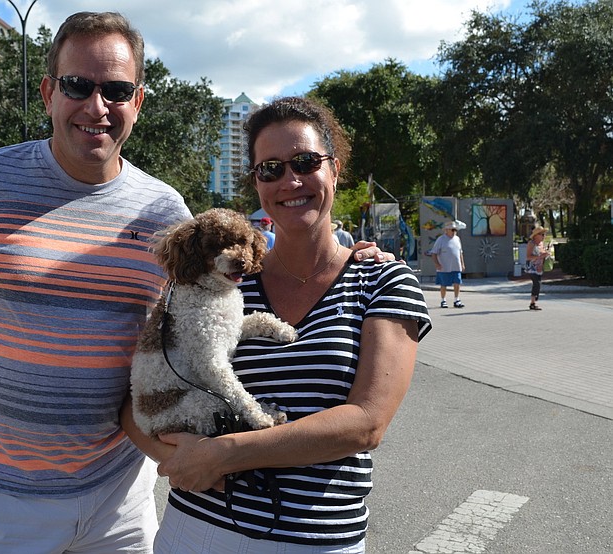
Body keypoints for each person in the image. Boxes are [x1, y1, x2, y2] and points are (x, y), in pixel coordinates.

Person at [0, 12, 393, 553]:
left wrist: (351, 257)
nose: (96, 106)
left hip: (119, 496)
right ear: (48, 92)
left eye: (115, 89)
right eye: (77, 85)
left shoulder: (165, 211)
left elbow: (241, 274)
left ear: (137, 101)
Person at [123, 96, 431, 553]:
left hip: (314, 541)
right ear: (256, 183)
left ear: (335, 169)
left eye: (306, 162)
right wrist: (180, 461)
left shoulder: (383, 278)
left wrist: (224, 455)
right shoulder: (216, 282)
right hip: (198, 529)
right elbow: (134, 400)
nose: (291, 180)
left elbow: (366, 423)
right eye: (270, 169)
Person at [431, 220, 466, 308]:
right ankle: (443, 300)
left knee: (457, 283)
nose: (454, 232)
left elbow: (460, 252)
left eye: (455, 230)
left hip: (456, 266)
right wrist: (437, 264)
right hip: (444, 267)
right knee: (443, 284)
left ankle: (457, 300)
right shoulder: (441, 239)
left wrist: (462, 263)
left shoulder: (457, 239)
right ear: (446, 230)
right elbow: (434, 253)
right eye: (452, 230)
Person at [525, 226, 550, 310]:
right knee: (536, 283)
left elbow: (542, 255)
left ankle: (533, 302)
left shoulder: (541, 244)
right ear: (536, 235)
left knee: (538, 284)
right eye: (542, 234)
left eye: (544, 234)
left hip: (539, 267)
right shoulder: (531, 243)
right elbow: (528, 257)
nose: (544, 236)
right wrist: (540, 256)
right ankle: (533, 300)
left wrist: (546, 255)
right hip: (531, 267)